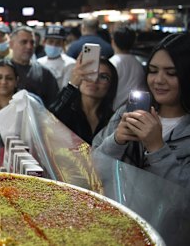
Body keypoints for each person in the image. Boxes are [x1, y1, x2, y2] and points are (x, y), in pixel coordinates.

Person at [92, 33, 190, 188]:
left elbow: (183, 198)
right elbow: (92, 170)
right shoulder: (127, 113)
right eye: (153, 71)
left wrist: (157, 148)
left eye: (171, 73)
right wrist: (116, 140)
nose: (158, 80)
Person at [0, 26, 59, 106]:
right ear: (11, 44)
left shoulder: (45, 74)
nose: (29, 46)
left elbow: (52, 107)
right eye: (24, 42)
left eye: (32, 42)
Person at [49, 56, 118, 144]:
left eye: (103, 77)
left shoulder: (113, 120)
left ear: (111, 85)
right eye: (90, 74)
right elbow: (48, 122)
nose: (94, 80)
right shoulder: (66, 110)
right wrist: (72, 85)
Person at [109, 27, 146, 109]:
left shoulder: (111, 64)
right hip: (133, 109)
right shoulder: (138, 64)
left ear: (113, 42)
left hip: (113, 110)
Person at [37, 25, 76, 91]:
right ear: (44, 42)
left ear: (63, 44)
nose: (54, 45)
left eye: (58, 43)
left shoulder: (70, 64)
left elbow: (65, 90)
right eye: (50, 41)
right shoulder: (38, 62)